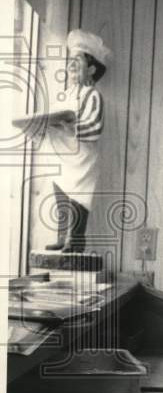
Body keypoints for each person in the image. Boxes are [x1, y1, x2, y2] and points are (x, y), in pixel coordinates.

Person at [42, 30, 109, 252]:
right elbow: (51, 120)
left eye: (77, 61)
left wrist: (70, 127)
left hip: (82, 159)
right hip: (62, 156)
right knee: (60, 194)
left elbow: (95, 128)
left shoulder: (93, 96)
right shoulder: (66, 95)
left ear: (91, 69)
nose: (71, 66)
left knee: (78, 198)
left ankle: (76, 239)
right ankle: (62, 236)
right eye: (70, 61)